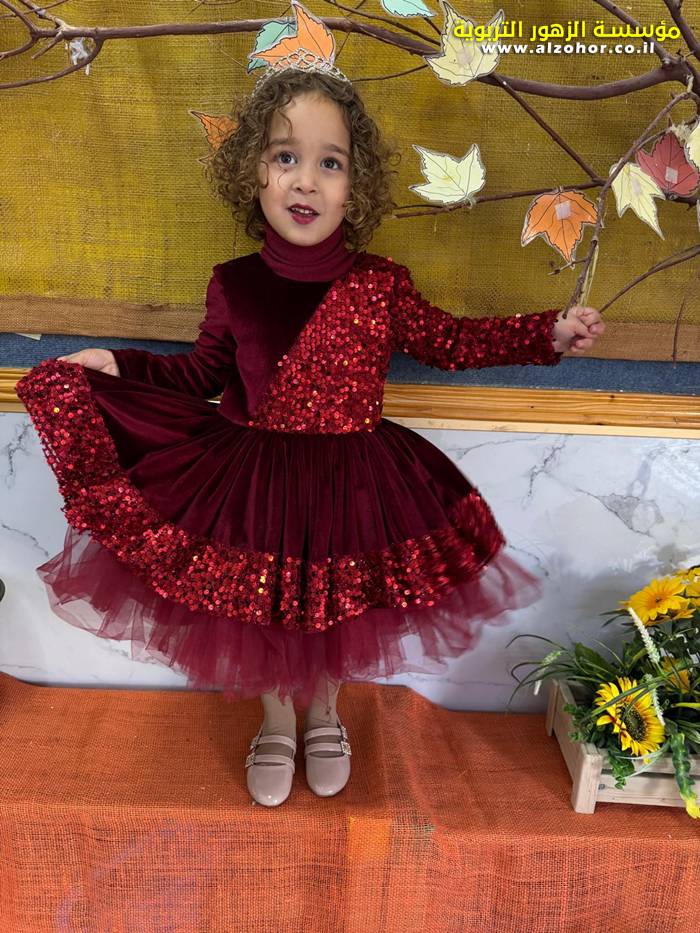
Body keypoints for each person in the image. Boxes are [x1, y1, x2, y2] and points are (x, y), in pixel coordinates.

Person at [15, 8, 604, 808]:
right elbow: (200, 372)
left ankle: (324, 713)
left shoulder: (380, 281)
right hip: (250, 479)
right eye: (286, 157)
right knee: (258, 612)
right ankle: (275, 721)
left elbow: (449, 340)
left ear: (354, 186)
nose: (306, 180)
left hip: (352, 479)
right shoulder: (233, 284)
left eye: (330, 163)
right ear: (254, 173)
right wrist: (116, 364)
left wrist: (548, 333)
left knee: (332, 611)